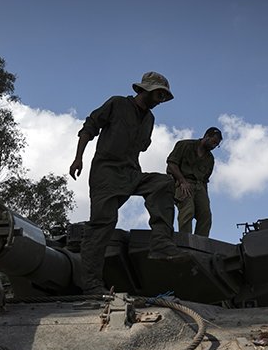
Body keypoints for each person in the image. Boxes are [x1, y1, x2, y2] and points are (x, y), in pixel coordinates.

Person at [69, 71, 187, 294]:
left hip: (131, 173)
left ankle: (161, 243)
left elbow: (142, 147)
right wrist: (78, 158)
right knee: (102, 225)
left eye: (164, 97)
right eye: (158, 95)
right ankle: (92, 284)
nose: (161, 100)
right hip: (106, 173)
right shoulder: (117, 104)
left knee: (162, 183)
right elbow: (89, 128)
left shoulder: (149, 119)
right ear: (145, 90)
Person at [166, 126, 222, 237]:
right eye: (213, 142)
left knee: (206, 215)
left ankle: (200, 243)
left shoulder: (210, 159)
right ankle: (186, 240)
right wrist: (182, 181)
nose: (214, 146)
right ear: (206, 136)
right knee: (188, 210)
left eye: (217, 145)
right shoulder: (184, 145)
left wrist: (205, 197)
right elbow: (172, 165)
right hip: (181, 181)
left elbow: (205, 180)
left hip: (199, 186)